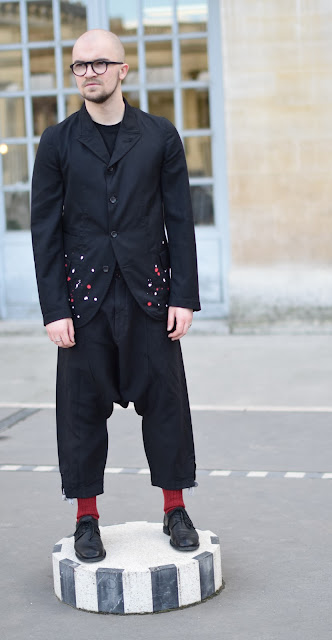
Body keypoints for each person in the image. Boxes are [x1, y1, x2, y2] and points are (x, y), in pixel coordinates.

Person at [31, 29, 201, 562]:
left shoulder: (159, 136)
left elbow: (180, 219)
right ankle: (86, 518)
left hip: (150, 294)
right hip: (84, 301)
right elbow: (44, 230)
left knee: (167, 407)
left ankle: (175, 508)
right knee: (80, 413)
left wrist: (183, 296)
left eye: (100, 63)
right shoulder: (57, 141)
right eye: (80, 66)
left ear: (123, 70)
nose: (89, 73)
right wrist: (54, 308)